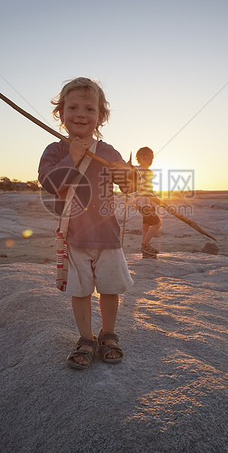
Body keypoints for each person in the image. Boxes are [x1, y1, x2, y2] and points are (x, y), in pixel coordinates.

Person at [38, 77, 137, 370]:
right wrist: (72, 157)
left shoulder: (108, 152)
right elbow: (50, 184)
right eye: (73, 107)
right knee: (79, 291)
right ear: (61, 114)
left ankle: (108, 334)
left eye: (89, 109)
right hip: (74, 236)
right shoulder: (54, 151)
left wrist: (131, 179)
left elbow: (127, 186)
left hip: (107, 236)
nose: (81, 114)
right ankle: (85, 338)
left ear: (100, 117)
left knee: (109, 288)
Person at [134, 147, 162, 259]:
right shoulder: (137, 170)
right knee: (157, 223)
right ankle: (145, 245)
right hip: (143, 203)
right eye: (145, 158)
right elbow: (139, 186)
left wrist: (155, 199)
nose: (149, 160)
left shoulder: (148, 172)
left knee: (146, 225)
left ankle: (145, 252)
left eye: (151, 158)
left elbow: (149, 188)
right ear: (139, 159)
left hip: (147, 203)